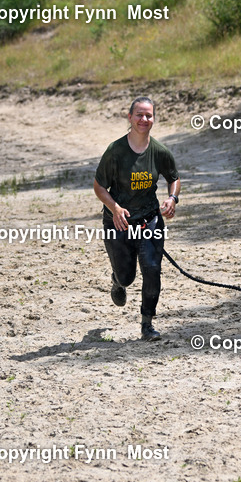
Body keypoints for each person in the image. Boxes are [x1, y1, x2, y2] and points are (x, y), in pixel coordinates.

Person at [93, 96, 180, 341]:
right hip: (118, 223)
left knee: (152, 269)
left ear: (154, 119)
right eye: (139, 115)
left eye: (149, 115)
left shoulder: (159, 151)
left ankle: (147, 324)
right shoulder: (115, 151)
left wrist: (172, 199)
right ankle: (117, 281)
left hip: (149, 220)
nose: (144, 119)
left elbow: (174, 178)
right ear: (129, 117)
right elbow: (99, 187)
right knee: (127, 276)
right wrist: (115, 208)